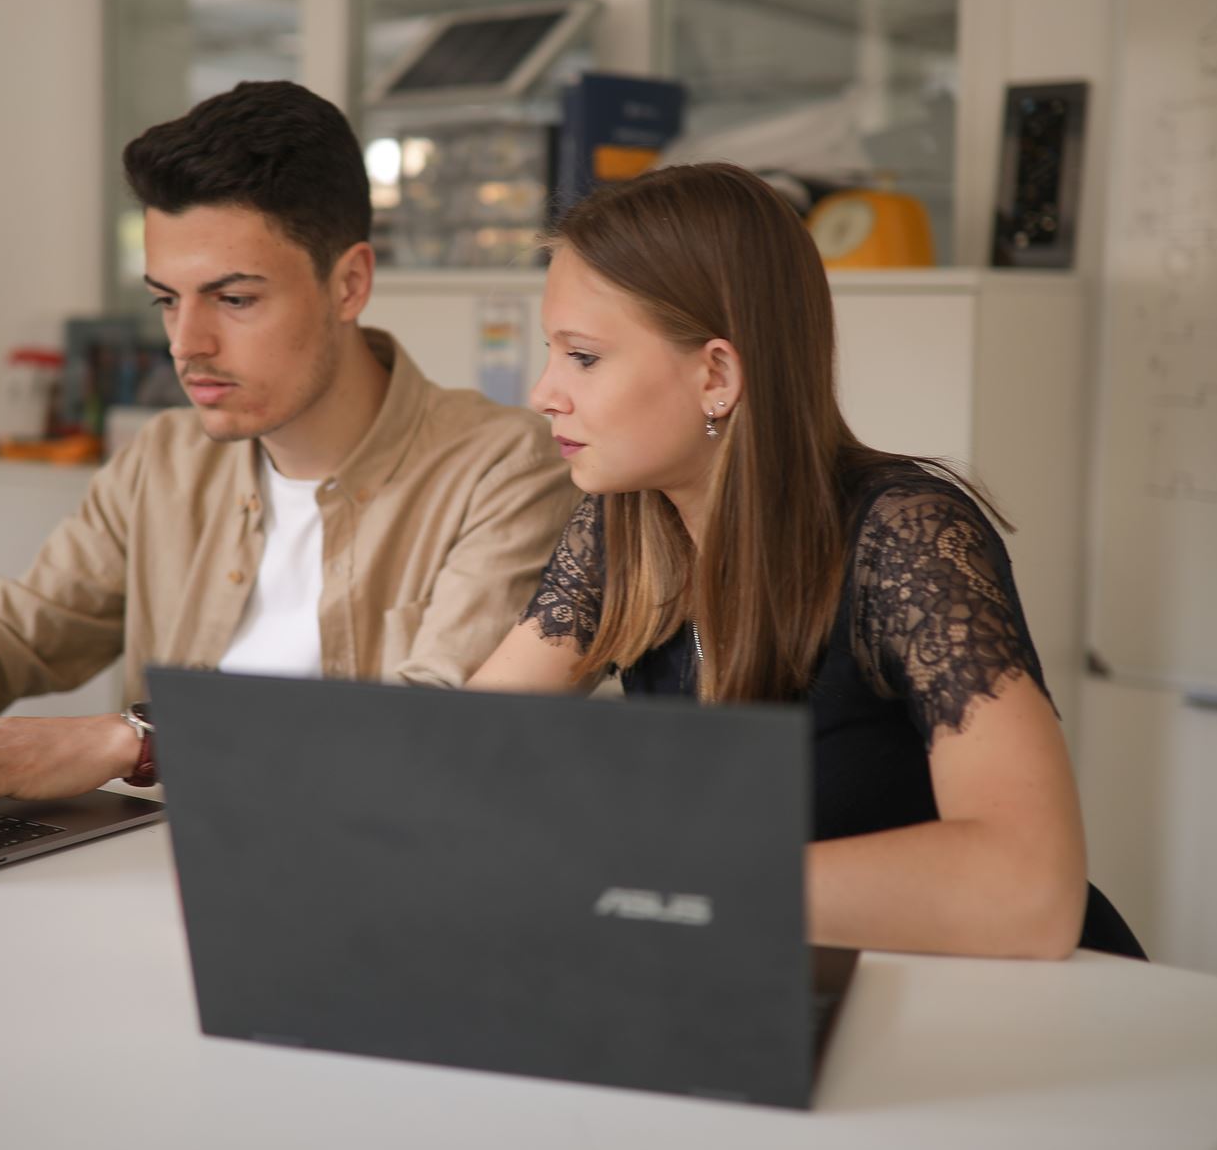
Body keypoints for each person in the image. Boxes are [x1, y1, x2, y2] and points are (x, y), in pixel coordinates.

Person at [0, 81, 577, 800]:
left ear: (349, 283)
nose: (187, 344)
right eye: (166, 301)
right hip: (155, 868)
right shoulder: (166, 457)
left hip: (366, 871)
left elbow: (434, 726)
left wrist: (138, 739)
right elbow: (13, 630)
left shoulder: (505, 466)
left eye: (235, 298)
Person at [469, 162, 1141, 961]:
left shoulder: (906, 536)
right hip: (793, 991)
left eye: (581, 357)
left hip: (996, 1010)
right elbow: (460, 751)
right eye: (552, 352)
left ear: (716, 375)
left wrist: (671, 878)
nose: (545, 392)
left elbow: (1031, 888)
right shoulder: (628, 523)